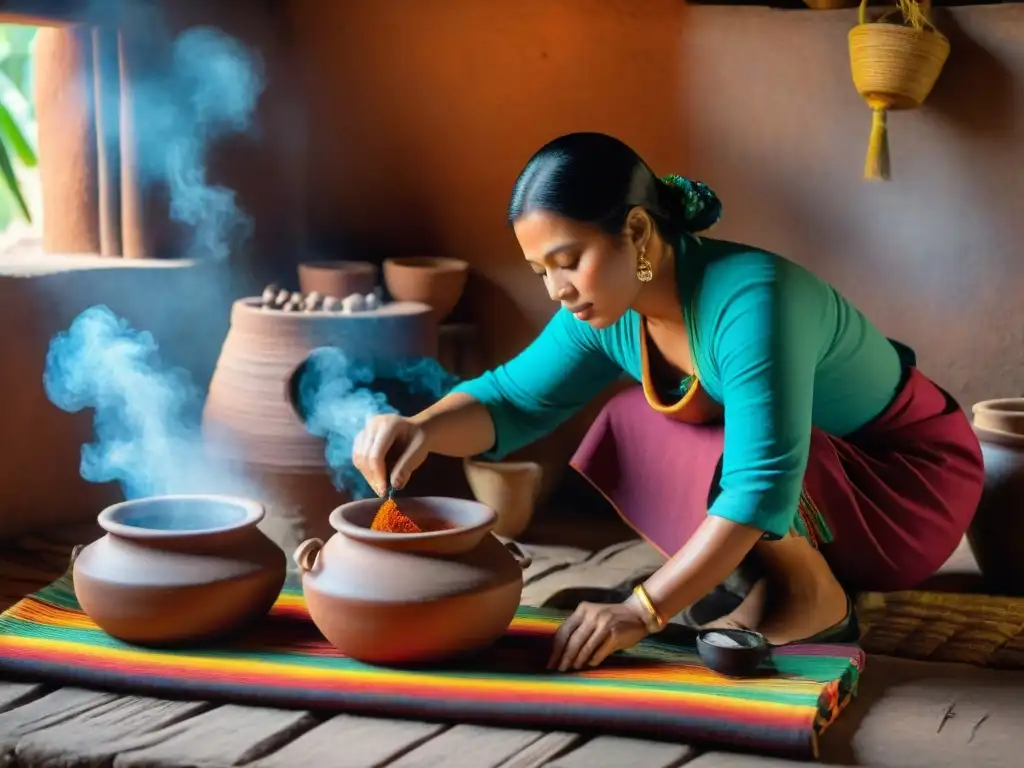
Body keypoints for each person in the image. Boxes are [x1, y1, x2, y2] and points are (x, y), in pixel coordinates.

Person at [351, 132, 984, 673]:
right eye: (541, 270)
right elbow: (512, 401)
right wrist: (422, 428)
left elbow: (760, 480)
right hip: (819, 485)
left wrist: (640, 610)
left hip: (906, 488)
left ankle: (811, 597)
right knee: (629, 420)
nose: (556, 290)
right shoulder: (607, 310)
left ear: (636, 230)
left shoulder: (752, 304)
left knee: (731, 450)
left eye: (567, 261)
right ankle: (758, 578)